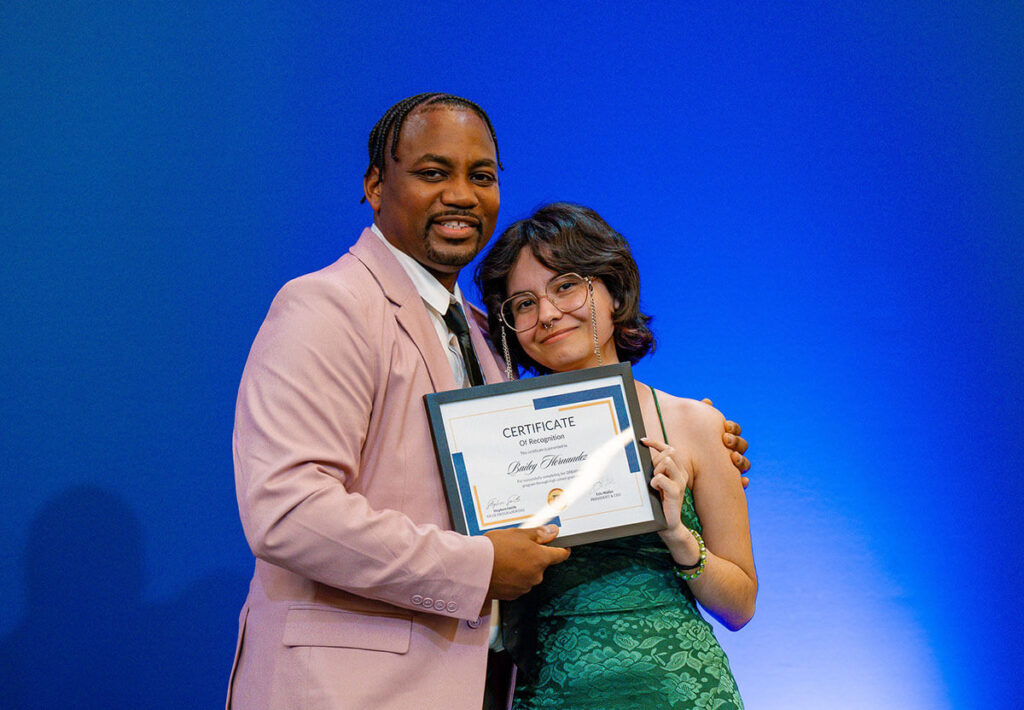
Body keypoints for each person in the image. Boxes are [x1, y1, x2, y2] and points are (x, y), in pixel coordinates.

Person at [229, 94, 750, 710]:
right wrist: (476, 567)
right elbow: (287, 510)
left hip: (487, 684)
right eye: (432, 173)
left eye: (481, 176)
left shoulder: (484, 336)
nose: (460, 194)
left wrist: (702, 444)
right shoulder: (326, 305)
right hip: (348, 687)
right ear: (374, 186)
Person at [476, 202, 757, 709]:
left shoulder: (694, 423)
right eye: (523, 303)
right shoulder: (491, 441)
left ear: (614, 292)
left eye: (566, 286)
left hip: (683, 693)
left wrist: (680, 537)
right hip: (550, 694)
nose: (548, 315)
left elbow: (740, 606)